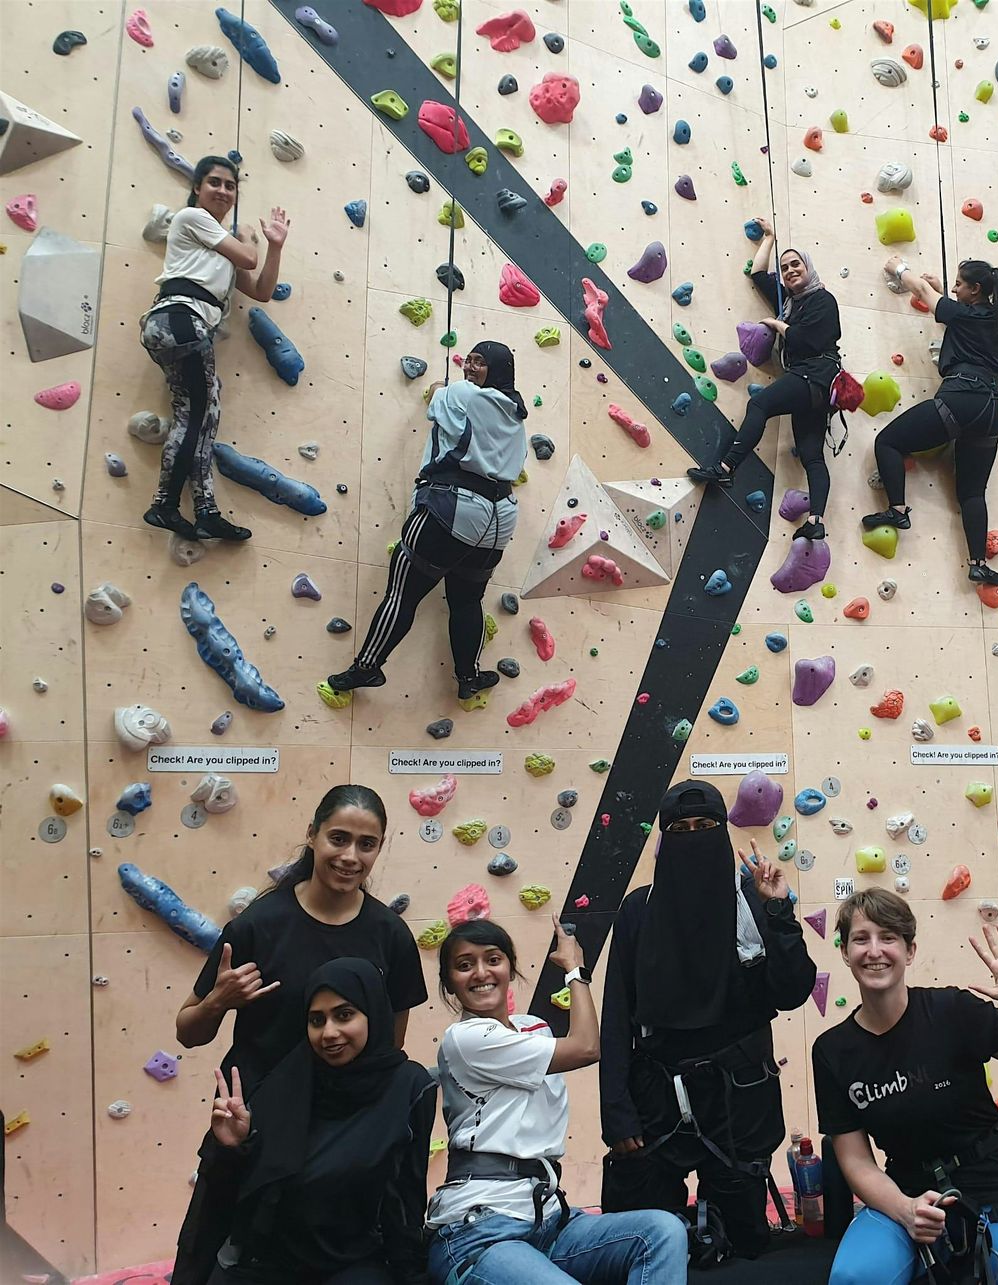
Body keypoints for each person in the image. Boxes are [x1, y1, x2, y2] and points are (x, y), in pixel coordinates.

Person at [172, 785, 428, 1285]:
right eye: (338, 838)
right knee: (212, 1261)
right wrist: (218, 1000)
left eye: (367, 843)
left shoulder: (389, 935)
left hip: (339, 1143)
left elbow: (387, 1051)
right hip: (250, 1131)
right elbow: (187, 1033)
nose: (350, 856)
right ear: (311, 836)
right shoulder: (259, 925)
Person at [599, 780, 818, 1260]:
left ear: (723, 831)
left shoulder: (753, 898)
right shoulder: (640, 910)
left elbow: (792, 990)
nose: (693, 835)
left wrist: (779, 910)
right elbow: (616, 1015)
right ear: (665, 838)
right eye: (681, 828)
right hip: (656, 1101)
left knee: (743, 1244)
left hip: (739, 1099)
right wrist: (615, 1111)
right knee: (649, 1242)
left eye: (705, 826)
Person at [813, 889, 998, 1285]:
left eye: (888, 937)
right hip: (907, 1190)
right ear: (846, 952)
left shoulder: (953, 1010)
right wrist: (905, 1210)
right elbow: (856, 1161)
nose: (875, 950)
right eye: (861, 938)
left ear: (910, 950)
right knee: (854, 1276)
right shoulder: (833, 1051)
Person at [426, 918, 689, 1284]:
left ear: (510, 968)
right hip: (481, 1231)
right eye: (464, 965)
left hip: (550, 1221)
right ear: (449, 984)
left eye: (493, 959)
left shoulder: (533, 1028)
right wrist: (574, 970)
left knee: (662, 1231)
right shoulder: (466, 1039)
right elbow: (586, 1046)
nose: (481, 972)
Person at [205, 958, 437, 1283]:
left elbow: (406, 1194)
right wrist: (234, 1147)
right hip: (270, 1261)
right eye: (316, 1020)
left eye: (344, 1015)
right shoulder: (288, 1084)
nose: (328, 1033)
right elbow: (237, 1199)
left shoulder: (408, 1085)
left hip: (355, 1261)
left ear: (373, 1012)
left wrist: (411, 1273)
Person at [327, 341, 528, 702]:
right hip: (499, 521)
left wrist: (443, 385)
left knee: (403, 592)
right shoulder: (515, 413)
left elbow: (436, 395)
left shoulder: (464, 393)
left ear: (495, 370)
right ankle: (468, 677)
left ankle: (368, 666)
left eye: (479, 362)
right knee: (467, 601)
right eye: (468, 360)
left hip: (453, 505)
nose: (469, 366)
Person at [141, 155, 290, 543]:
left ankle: (205, 510)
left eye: (230, 185)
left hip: (183, 326)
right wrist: (252, 242)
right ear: (197, 188)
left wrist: (275, 247)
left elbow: (261, 290)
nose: (223, 190)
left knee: (204, 415)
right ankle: (165, 504)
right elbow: (247, 256)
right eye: (215, 183)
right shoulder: (192, 219)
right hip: (179, 318)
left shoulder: (219, 248)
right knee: (198, 416)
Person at [689, 220, 843, 542]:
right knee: (811, 454)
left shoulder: (822, 301)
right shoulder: (789, 303)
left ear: (808, 267)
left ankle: (726, 469)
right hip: (814, 385)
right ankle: (815, 520)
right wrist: (770, 238)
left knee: (759, 403)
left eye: (795, 264)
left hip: (814, 374)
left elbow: (802, 340)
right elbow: (758, 275)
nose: (789, 271)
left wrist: (776, 323)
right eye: (785, 268)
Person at [863, 258, 998, 587]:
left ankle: (897, 509)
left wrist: (898, 268)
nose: (954, 287)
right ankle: (978, 563)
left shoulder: (962, 313)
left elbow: (919, 289)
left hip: (962, 397)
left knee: (887, 441)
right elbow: (964, 321)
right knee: (973, 493)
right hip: (993, 410)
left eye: (960, 284)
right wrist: (946, 293)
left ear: (975, 290)